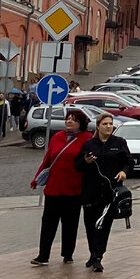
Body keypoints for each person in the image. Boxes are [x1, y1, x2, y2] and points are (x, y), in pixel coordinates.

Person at [29, 107, 89, 266]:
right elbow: (47, 160)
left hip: (74, 189)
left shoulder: (87, 139)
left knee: (70, 224)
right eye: (68, 118)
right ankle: (43, 255)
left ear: (80, 123)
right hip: (54, 188)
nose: (69, 121)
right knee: (48, 223)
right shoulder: (57, 137)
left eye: (73, 119)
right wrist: (36, 179)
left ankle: (68, 254)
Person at [75, 112, 133, 273]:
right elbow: (78, 166)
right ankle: (92, 254)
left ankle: (98, 257)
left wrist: (124, 172)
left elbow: (129, 162)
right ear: (98, 126)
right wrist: (85, 161)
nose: (108, 126)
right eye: (105, 124)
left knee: (103, 226)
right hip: (90, 192)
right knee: (90, 226)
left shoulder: (119, 143)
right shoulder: (89, 144)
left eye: (110, 124)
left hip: (110, 193)